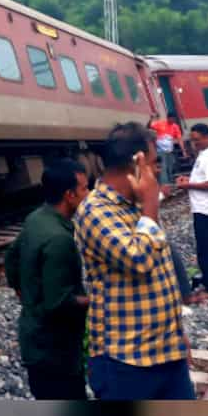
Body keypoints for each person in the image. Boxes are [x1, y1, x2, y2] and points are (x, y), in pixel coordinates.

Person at [75, 123, 193, 400]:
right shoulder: (95, 211)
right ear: (137, 164)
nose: (158, 171)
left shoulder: (135, 207)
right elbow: (139, 260)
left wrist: (177, 335)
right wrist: (151, 203)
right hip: (126, 361)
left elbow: (159, 272)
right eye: (154, 164)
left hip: (166, 351)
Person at [3, 160, 90, 399]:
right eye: (84, 188)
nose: (88, 194)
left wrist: (26, 295)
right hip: (56, 353)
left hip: (34, 340)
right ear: (69, 195)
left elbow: (11, 259)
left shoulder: (36, 218)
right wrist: (96, 300)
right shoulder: (60, 239)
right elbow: (58, 303)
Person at [177, 123, 208, 301]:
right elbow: (204, 180)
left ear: (207, 137)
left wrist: (187, 185)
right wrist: (189, 180)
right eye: (192, 140)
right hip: (202, 210)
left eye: (197, 140)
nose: (194, 143)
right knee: (203, 251)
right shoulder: (204, 155)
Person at [151, 114, 183, 187]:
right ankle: (165, 185)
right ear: (168, 118)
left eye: (174, 119)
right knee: (163, 167)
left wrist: (183, 150)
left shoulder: (175, 126)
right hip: (160, 150)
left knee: (171, 166)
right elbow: (151, 126)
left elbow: (179, 138)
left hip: (169, 150)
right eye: (171, 119)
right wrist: (153, 118)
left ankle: (170, 183)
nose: (172, 121)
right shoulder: (160, 123)